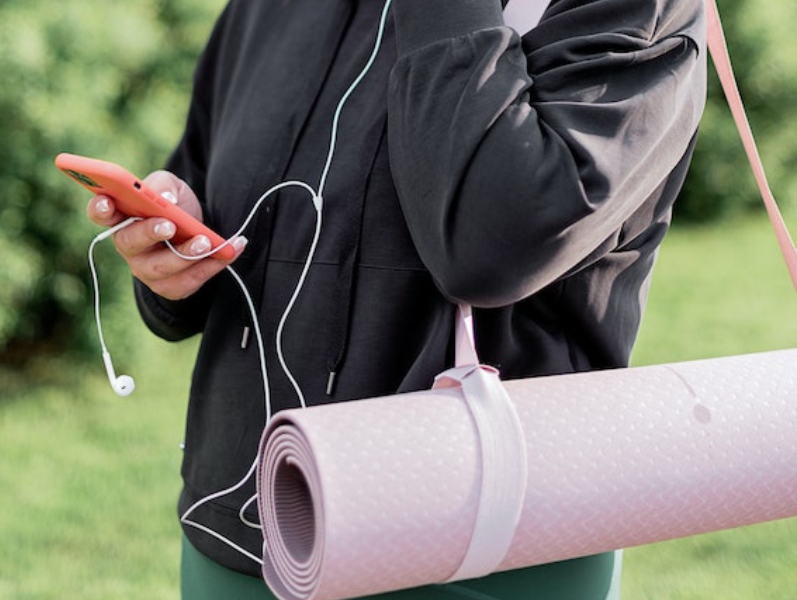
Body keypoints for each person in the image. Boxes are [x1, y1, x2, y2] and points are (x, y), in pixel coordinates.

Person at [87, 0, 707, 598]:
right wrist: (169, 257)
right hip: (234, 541)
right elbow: (210, 203)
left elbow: (490, 249)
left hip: (480, 558)